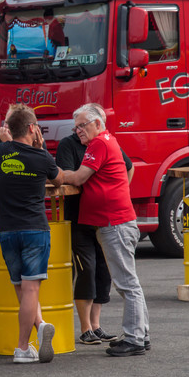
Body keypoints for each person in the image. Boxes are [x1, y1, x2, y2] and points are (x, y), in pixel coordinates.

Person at [62, 103, 150, 357]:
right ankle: (141, 335)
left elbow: (78, 178)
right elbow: (126, 169)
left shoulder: (99, 143)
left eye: (82, 125)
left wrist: (57, 174)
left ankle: (134, 339)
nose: (78, 130)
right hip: (117, 221)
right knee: (129, 282)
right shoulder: (107, 141)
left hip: (115, 223)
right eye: (76, 126)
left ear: (98, 123)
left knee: (126, 284)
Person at [0, 104, 64, 364]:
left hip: (7, 230)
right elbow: (59, 179)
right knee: (31, 289)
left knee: (21, 287)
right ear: (31, 128)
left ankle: (39, 327)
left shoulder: (2, 151)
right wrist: (41, 149)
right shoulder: (41, 158)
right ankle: (22, 348)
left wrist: (5, 178)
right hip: (35, 229)